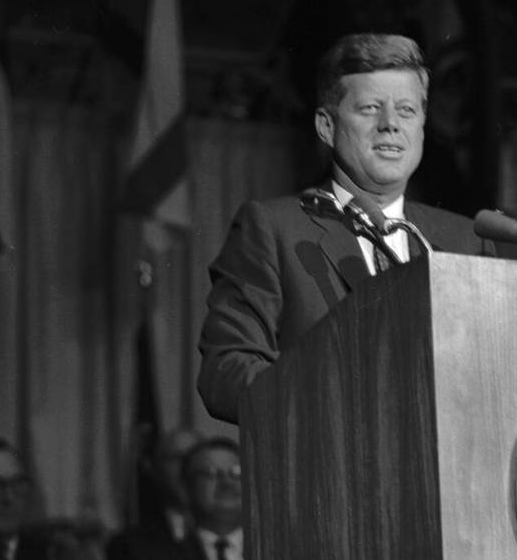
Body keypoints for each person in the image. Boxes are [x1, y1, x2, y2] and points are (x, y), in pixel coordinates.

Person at [197, 33, 494, 424]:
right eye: (370, 108)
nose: (390, 125)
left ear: (423, 126)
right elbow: (226, 372)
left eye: (407, 110)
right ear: (326, 126)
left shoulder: (466, 242)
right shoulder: (274, 229)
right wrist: (340, 400)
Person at [113, 437, 248, 560]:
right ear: (186, 488)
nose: (226, 482)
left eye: (236, 472)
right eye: (211, 473)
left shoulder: (277, 556)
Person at [97, 428, 203, 560]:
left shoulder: (248, 537)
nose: (187, 467)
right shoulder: (129, 548)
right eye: (176, 458)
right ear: (151, 467)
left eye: (195, 456)